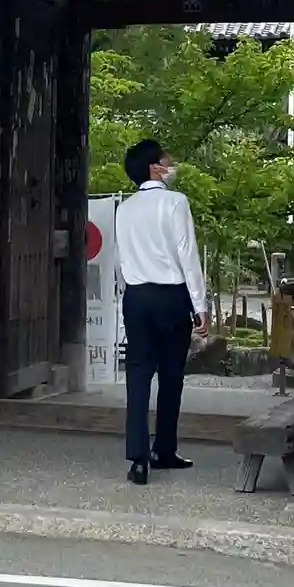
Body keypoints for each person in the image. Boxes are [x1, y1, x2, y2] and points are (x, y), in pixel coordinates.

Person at [115, 138, 207, 485]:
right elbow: (187, 255)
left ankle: (138, 458)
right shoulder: (175, 202)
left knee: (138, 375)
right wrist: (200, 305)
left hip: (137, 296)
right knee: (171, 375)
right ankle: (164, 449)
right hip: (171, 296)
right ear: (155, 167)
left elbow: (122, 259)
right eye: (167, 160)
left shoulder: (125, 208)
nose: (171, 164)